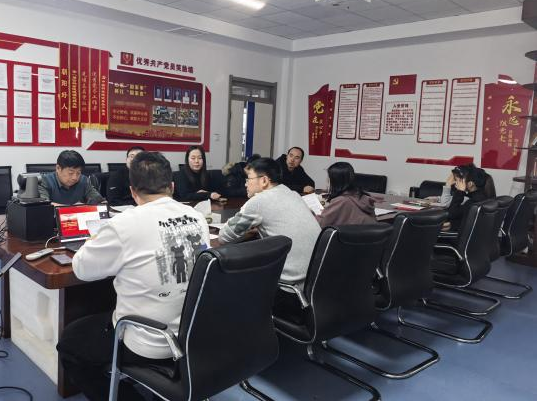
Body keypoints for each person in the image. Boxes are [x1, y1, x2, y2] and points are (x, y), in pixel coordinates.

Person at [57, 152, 211, 401]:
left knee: (70, 344)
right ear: (172, 186)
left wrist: (95, 239)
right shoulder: (197, 217)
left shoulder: (123, 224)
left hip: (148, 342)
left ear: (133, 191)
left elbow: (81, 268)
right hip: (192, 332)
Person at [218, 157, 321, 286]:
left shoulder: (258, 201)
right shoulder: (292, 193)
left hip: (289, 283)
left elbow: (224, 237)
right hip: (315, 276)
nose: (245, 184)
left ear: (264, 180)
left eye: (248, 179)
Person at [316, 162, 376, 227]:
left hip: (353, 233)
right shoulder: (361, 195)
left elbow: (321, 224)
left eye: (328, 179)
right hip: (368, 232)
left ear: (335, 181)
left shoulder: (341, 201)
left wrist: (312, 214)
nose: (326, 181)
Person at [38, 150, 104, 206]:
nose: (75, 178)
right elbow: (44, 205)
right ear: (58, 168)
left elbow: (98, 200)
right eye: (70, 173)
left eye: (78, 173)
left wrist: (94, 202)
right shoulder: (45, 181)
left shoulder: (84, 180)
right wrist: (73, 208)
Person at [447, 164, 489, 231]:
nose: (456, 183)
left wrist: (460, 191)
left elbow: (451, 214)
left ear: (470, 184)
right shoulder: (482, 197)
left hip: (459, 236)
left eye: (459, 181)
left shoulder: (472, 203)